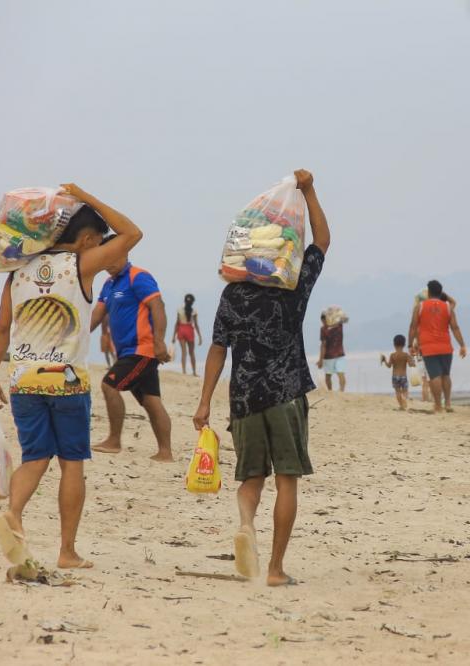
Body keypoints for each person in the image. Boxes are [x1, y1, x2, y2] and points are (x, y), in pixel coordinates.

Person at [0, 183, 142, 571]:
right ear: (86, 239)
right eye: (96, 240)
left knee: (35, 458)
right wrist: (88, 197)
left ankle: (14, 513)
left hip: (24, 379)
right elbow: (132, 234)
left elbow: (2, 329)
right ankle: (67, 552)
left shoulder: (16, 273)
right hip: (67, 380)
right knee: (72, 462)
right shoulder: (82, 265)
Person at [193, 169, 329, 587]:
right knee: (287, 480)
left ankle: (246, 525)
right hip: (286, 394)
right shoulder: (293, 288)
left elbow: (217, 349)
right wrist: (308, 191)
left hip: (245, 397)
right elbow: (321, 242)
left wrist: (203, 403)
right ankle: (274, 569)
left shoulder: (232, 294)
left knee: (251, 478)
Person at [90, 246, 173, 462]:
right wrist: (76, 336)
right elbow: (98, 314)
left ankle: (114, 441)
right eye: (105, 258)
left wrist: (159, 341)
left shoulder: (139, 277)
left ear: (124, 254)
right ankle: (165, 452)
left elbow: (158, 306)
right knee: (151, 400)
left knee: (109, 385)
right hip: (126, 351)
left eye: (112, 256)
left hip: (141, 349)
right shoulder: (108, 284)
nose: (108, 262)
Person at [409, 280, 467, 413]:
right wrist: (462, 345)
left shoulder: (420, 307)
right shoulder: (447, 307)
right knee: (446, 375)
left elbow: (412, 327)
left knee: (435, 376)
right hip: (446, 346)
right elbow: (455, 328)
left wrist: (410, 344)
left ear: (428, 292)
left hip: (428, 347)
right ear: (441, 292)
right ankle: (447, 403)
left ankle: (438, 405)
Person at [380, 334, 416, 410]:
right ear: (404, 344)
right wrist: (413, 362)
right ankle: (404, 399)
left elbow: (389, 366)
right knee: (405, 391)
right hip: (403, 376)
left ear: (394, 344)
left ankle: (401, 405)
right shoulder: (406, 355)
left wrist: (384, 360)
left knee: (397, 391)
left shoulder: (392, 355)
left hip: (395, 376)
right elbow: (410, 365)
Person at [173, 294, 203, 376]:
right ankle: (194, 372)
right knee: (191, 353)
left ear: (184, 301)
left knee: (184, 352)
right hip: (189, 330)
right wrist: (200, 337)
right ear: (193, 302)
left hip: (181, 330)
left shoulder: (179, 310)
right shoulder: (194, 311)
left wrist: (173, 336)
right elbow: (196, 325)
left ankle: (184, 371)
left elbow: (177, 323)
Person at [317, 313, 346, 392]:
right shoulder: (338, 326)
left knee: (330, 376)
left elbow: (323, 345)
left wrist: (320, 360)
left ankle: (334, 391)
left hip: (332, 356)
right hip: (337, 354)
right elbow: (345, 318)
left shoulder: (325, 329)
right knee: (339, 374)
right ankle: (337, 391)